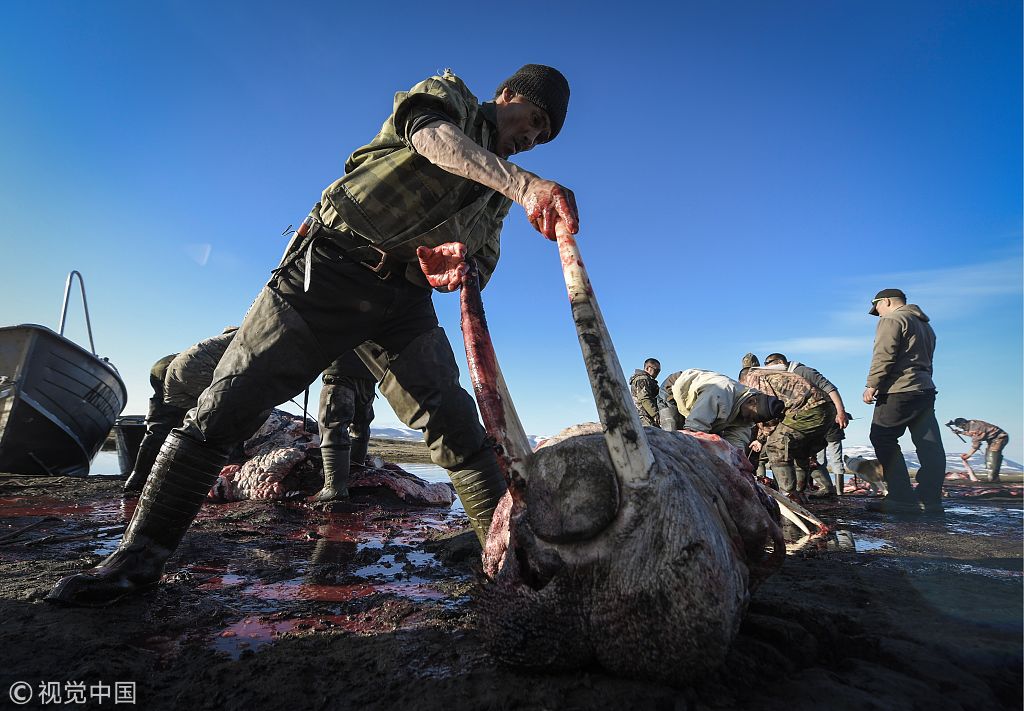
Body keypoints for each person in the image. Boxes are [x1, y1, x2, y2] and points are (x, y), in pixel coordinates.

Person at [48, 64, 578, 606]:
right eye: (531, 119)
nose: (530, 138)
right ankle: (138, 559)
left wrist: (456, 266)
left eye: (542, 136)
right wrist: (521, 184)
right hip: (330, 268)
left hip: (402, 303)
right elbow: (428, 137)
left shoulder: (495, 200)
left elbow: (482, 266)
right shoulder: (452, 102)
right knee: (228, 404)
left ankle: (509, 559)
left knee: (457, 426)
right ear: (506, 95)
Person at [123, 328, 240, 494]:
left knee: (161, 427)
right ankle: (231, 468)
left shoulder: (213, 344)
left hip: (167, 372)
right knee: (224, 414)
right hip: (176, 371)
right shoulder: (247, 338)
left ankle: (137, 478)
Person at [863, 288, 945, 515]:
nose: (877, 314)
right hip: (924, 388)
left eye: (877, 308)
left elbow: (884, 353)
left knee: (882, 436)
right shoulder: (925, 325)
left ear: (886, 301)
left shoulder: (892, 319)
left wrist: (872, 384)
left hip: (899, 389)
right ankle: (931, 500)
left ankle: (901, 498)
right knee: (930, 446)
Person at [761, 353, 850, 498]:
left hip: (821, 414)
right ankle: (807, 491)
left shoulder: (802, 371)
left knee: (780, 446)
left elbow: (829, 387)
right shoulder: (784, 378)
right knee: (802, 450)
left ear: (779, 362)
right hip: (808, 416)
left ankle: (792, 494)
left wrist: (841, 411)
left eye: (768, 364)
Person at [739, 365, 834, 499]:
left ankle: (789, 497)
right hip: (825, 408)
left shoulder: (753, 379)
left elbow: (767, 410)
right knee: (799, 451)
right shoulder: (772, 374)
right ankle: (800, 493)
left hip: (808, 410)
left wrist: (761, 437)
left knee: (776, 446)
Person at [311, 351, 377, 501]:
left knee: (333, 425)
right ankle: (355, 474)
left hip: (340, 369)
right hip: (369, 372)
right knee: (360, 425)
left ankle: (334, 488)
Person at [667, 368, 784, 449]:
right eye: (750, 416)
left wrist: (735, 462)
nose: (748, 420)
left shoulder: (747, 416)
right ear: (752, 401)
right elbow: (694, 429)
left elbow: (735, 443)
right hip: (675, 389)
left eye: (754, 420)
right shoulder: (721, 393)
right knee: (671, 442)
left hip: (698, 408)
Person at [949, 418, 1009, 482]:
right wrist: (960, 432)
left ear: (963, 424)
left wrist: (968, 455)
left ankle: (993, 479)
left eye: (961, 427)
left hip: (999, 438)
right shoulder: (972, 424)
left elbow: (976, 445)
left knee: (992, 457)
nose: (962, 429)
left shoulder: (975, 428)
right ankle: (994, 477)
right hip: (992, 440)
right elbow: (972, 434)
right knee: (988, 458)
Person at [629, 358, 661, 427]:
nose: (657, 373)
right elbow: (644, 398)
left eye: (659, 371)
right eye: (656, 370)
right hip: (643, 415)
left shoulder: (648, 380)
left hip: (645, 414)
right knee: (651, 436)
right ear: (648, 368)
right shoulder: (642, 379)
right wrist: (655, 414)